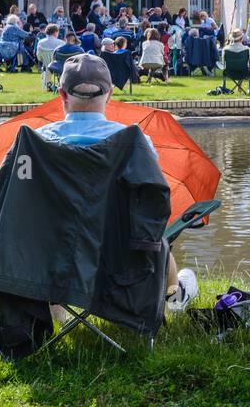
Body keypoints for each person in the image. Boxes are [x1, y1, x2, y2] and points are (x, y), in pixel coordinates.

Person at [36, 54, 195, 308]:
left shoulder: (36, 143)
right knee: (156, 230)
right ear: (109, 94)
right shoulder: (133, 142)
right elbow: (154, 195)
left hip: (53, 252)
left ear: (62, 95)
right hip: (121, 255)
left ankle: (58, 313)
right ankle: (173, 297)